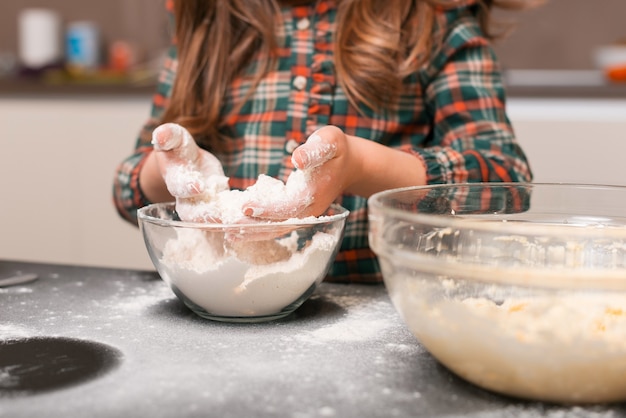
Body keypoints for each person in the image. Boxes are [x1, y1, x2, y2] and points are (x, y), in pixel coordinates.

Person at [113, 0, 538, 284]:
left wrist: (360, 167)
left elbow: (505, 181)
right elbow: (126, 188)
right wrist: (173, 171)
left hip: (383, 309)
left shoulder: (432, 18)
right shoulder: (206, 23)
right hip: (224, 306)